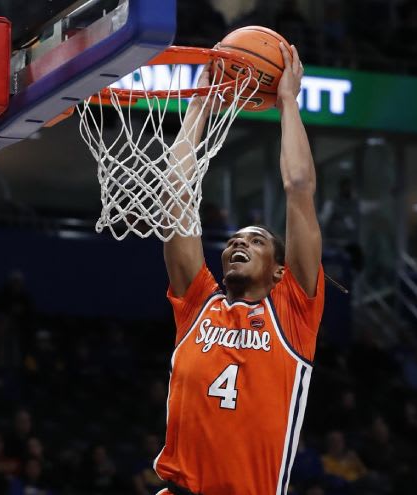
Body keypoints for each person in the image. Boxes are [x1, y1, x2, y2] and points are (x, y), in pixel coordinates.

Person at [154, 43, 325, 495]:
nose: (237, 243)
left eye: (256, 240)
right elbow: (178, 194)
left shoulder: (293, 310)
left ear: (279, 272)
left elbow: (299, 188)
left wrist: (289, 100)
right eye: (233, 239)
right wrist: (199, 105)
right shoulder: (197, 305)